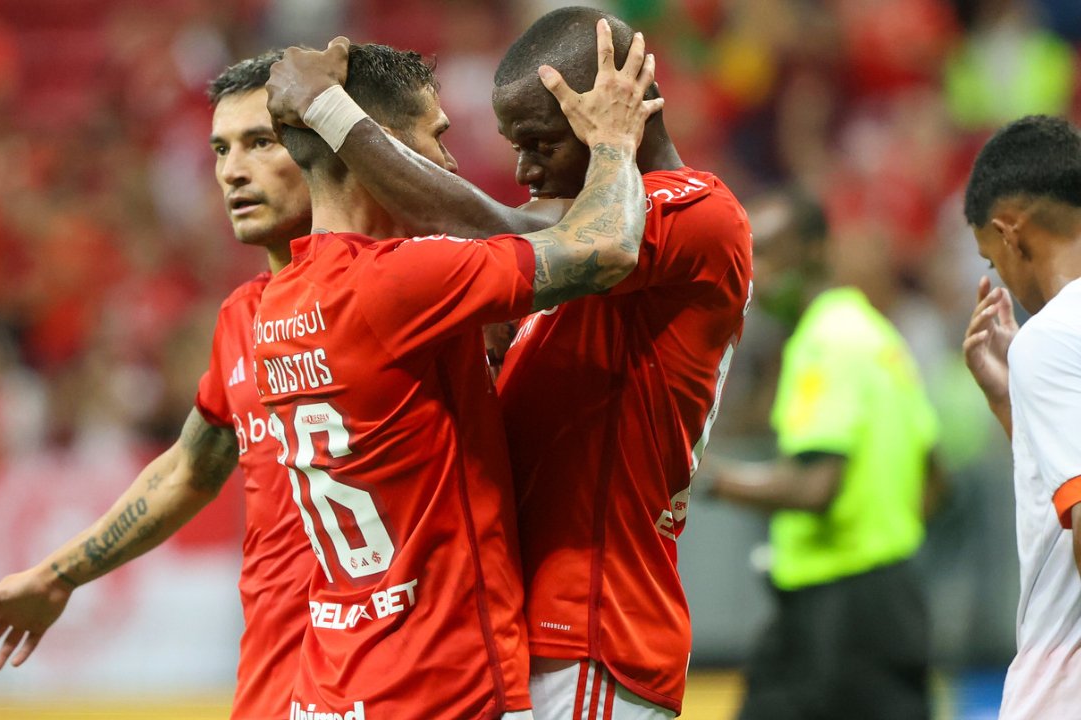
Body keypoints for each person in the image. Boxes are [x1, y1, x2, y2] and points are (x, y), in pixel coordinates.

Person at [266, 7, 751, 717]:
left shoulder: (695, 212)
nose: (522, 168)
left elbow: (506, 232)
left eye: (540, 142)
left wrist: (329, 112)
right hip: (529, 634)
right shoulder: (583, 243)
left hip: (590, 627)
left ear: (613, 114)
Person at [0, 52, 316, 720]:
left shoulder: (401, 286)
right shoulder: (246, 316)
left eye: (261, 142)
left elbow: (572, 256)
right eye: (219, 149)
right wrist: (59, 573)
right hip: (280, 681)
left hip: (402, 677)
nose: (231, 170)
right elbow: (190, 468)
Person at [703, 189, 938, 720]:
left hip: (835, 614)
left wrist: (700, 477)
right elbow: (934, 477)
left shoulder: (824, 343)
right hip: (890, 600)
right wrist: (883, 535)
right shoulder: (877, 336)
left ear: (815, 251)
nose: (757, 271)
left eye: (770, 251)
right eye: (748, 253)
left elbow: (814, 487)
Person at [961, 114, 1081, 720]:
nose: (998, 275)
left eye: (990, 258)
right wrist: (1013, 401)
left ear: (1012, 234)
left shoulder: (1053, 336)